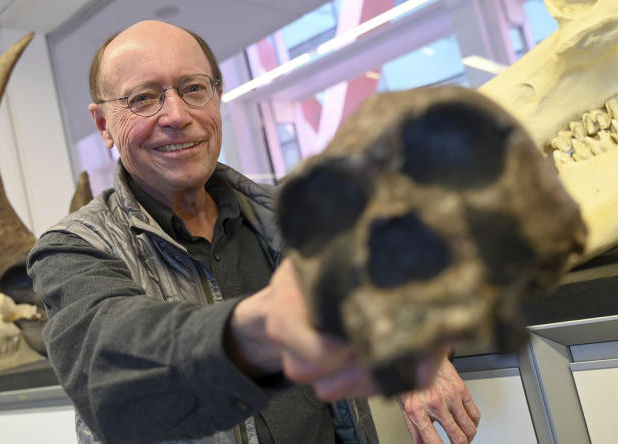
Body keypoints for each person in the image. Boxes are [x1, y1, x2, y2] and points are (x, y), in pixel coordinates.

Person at [28, 20, 480, 444]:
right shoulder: (72, 249)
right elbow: (106, 360)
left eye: (193, 89)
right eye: (143, 98)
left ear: (216, 98)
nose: (176, 115)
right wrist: (263, 324)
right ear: (105, 125)